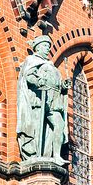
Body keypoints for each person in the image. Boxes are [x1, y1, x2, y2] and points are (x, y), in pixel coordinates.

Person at [16, 35, 68, 163]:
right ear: (37, 47)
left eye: (49, 46)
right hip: (40, 98)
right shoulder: (32, 60)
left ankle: (56, 155)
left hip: (54, 99)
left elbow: (55, 82)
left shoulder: (50, 65)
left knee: (59, 125)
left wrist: (63, 85)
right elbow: (28, 76)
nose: (48, 49)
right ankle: (35, 154)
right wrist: (38, 81)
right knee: (37, 126)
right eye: (45, 46)